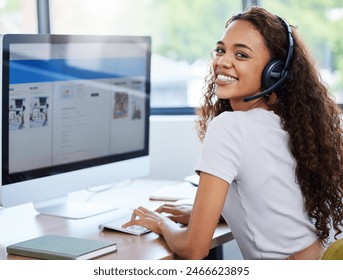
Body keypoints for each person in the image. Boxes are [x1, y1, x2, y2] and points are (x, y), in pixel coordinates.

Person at [124, 6, 343, 260]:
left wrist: (161, 223)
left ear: (274, 72)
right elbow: (272, 201)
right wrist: (212, 213)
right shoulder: (289, 123)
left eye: (241, 54)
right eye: (221, 50)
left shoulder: (229, 127)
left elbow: (194, 249)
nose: (222, 62)